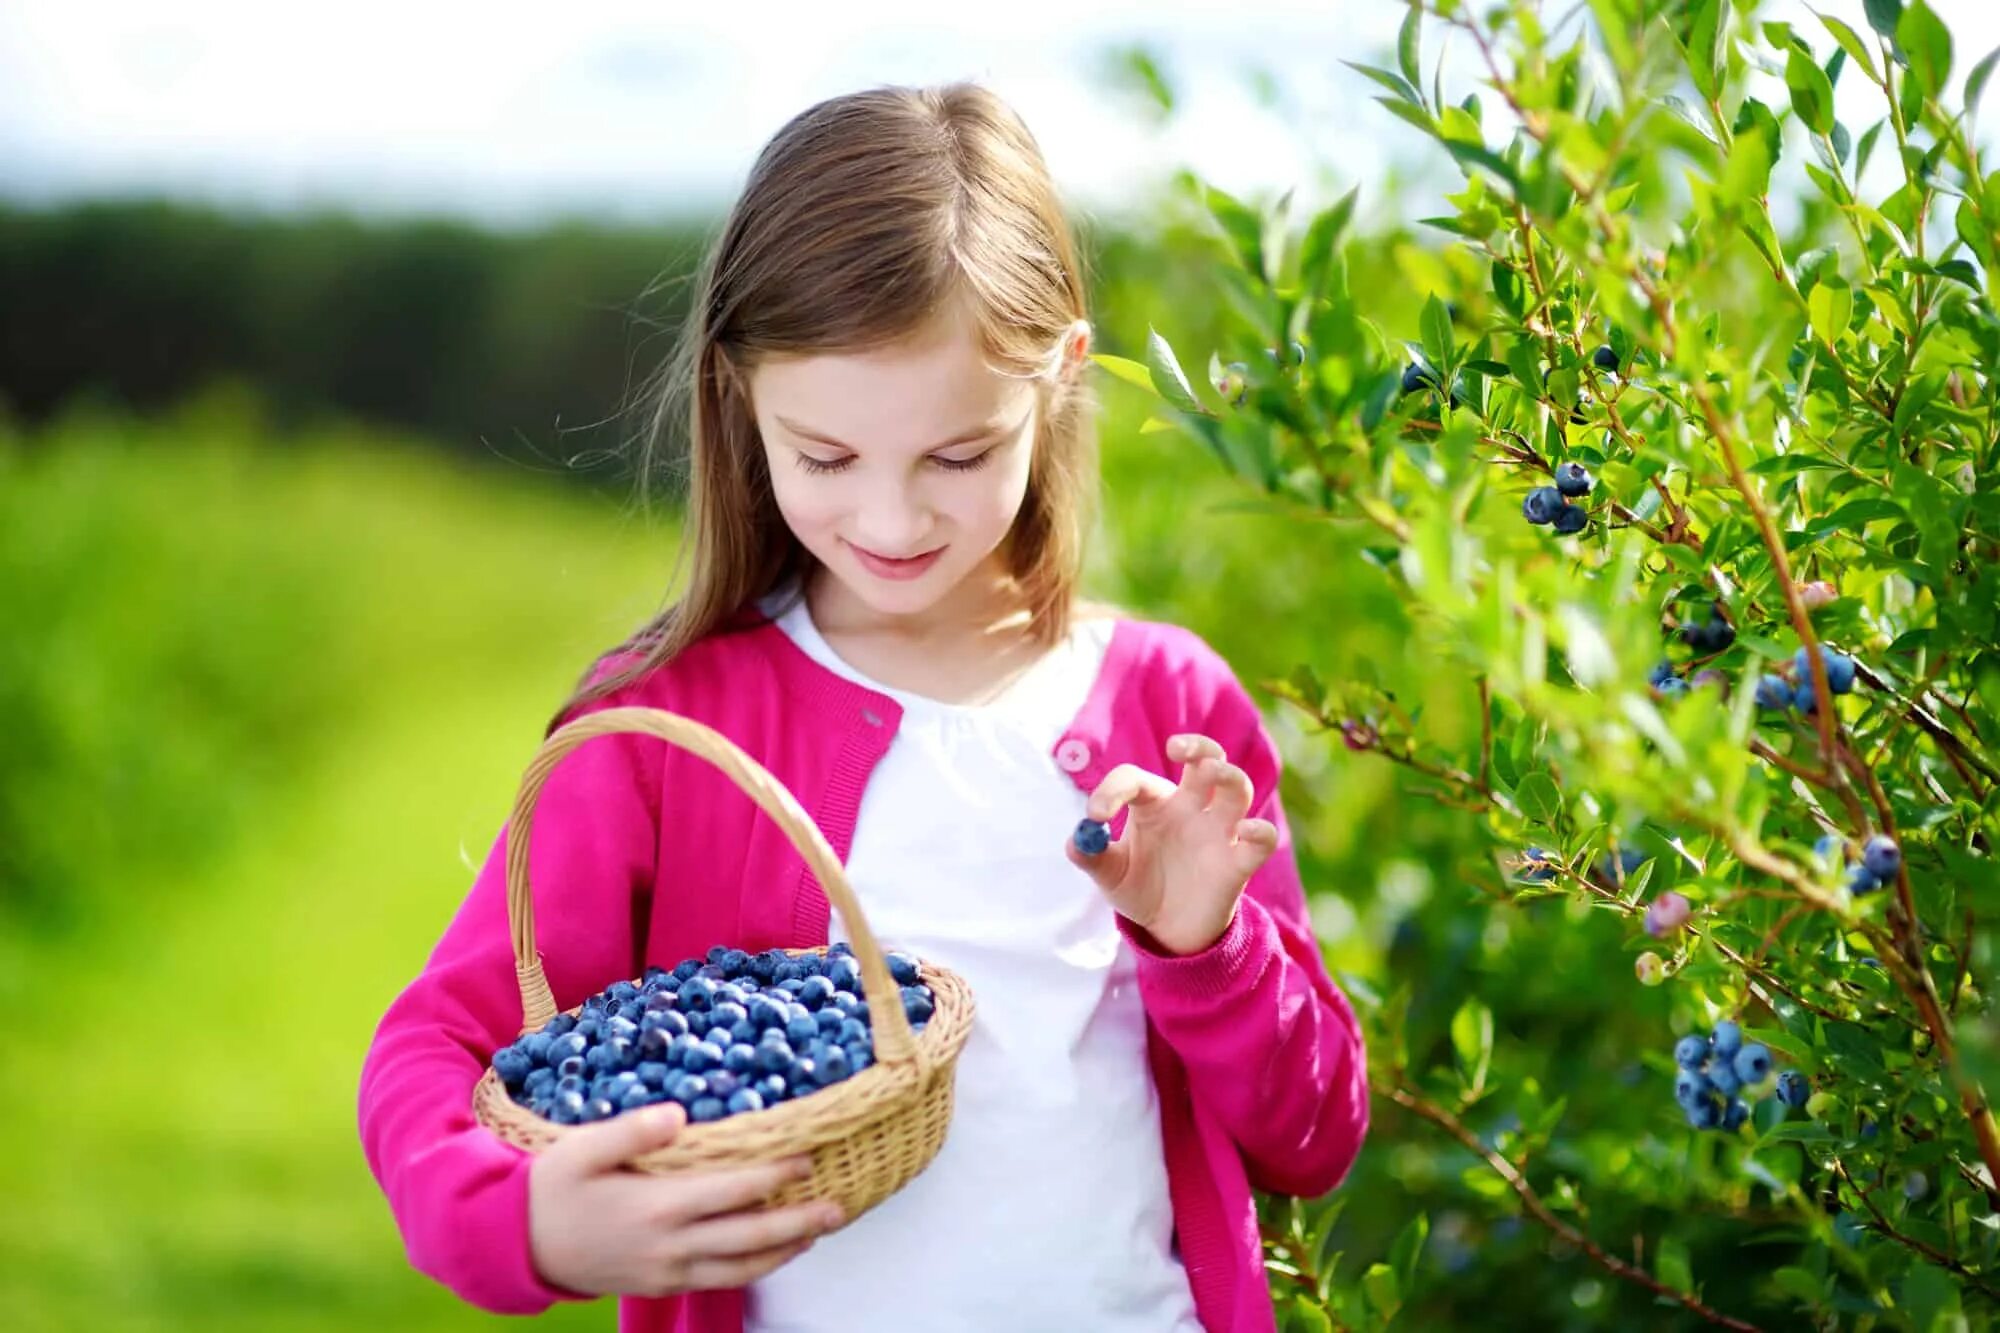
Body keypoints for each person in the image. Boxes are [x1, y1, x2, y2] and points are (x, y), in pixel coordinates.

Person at [356, 79, 1368, 1333]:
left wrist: (1207, 949)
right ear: (738, 392)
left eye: (958, 455)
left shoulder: (1167, 703)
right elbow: (435, 1049)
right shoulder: (670, 730)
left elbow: (1312, 1138)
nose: (890, 520)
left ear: (1057, 378)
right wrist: (520, 1223)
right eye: (826, 458)